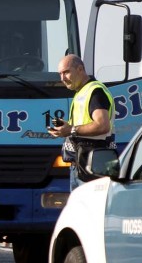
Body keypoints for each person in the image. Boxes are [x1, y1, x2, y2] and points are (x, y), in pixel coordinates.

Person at [49, 54, 116, 190]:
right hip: (82, 165)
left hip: (94, 167)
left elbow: (102, 125)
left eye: (66, 72)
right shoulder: (82, 92)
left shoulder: (95, 92)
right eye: (60, 74)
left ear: (80, 69)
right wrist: (65, 128)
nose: (62, 78)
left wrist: (71, 130)